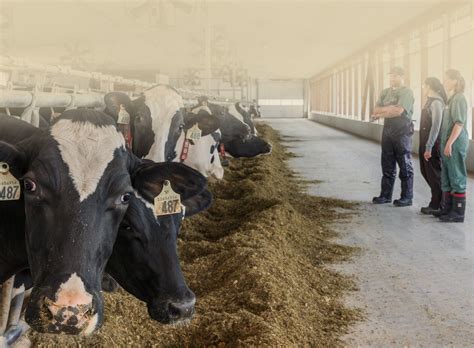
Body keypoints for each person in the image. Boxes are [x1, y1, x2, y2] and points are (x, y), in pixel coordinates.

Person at [372, 67, 415, 207]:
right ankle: (385, 195)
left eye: (395, 76)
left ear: (402, 77)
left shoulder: (407, 92)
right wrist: (388, 110)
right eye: (390, 76)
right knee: (387, 163)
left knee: (404, 163)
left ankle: (407, 197)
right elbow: (375, 110)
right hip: (388, 130)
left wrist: (382, 113)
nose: (391, 79)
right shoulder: (385, 92)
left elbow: (398, 111)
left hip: (402, 130)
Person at [434, 69, 469, 223]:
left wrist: (449, 143)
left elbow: (459, 123)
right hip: (447, 143)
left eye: (447, 79)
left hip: (454, 143)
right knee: (446, 176)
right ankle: (447, 209)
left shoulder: (459, 98)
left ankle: (458, 213)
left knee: (457, 176)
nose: (444, 82)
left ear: (455, 80)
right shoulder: (451, 99)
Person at [419, 77, 447, 215]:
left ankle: (437, 204)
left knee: (434, 174)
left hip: (432, 143)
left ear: (429, 86)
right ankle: (439, 201)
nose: (422, 88)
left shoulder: (436, 102)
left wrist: (429, 147)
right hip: (424, 141)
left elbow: (436, 127)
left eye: (423, 85)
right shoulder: (429, 101)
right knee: (425, 172)